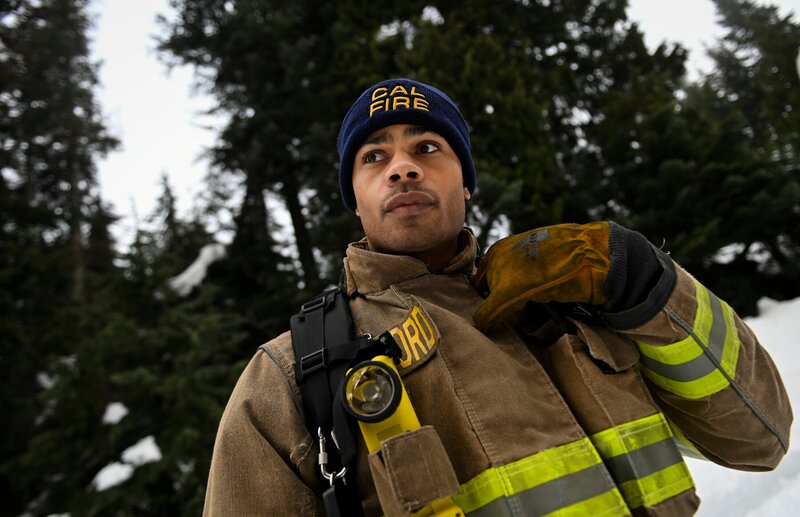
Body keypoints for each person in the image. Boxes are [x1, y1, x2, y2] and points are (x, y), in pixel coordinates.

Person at [202, 78, 792, 517]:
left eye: (428, 148)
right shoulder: (290, 377)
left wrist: (647, 282)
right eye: (374, 156)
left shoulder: (580, 298)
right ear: (354, 199)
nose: (403, 169)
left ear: (465, 179)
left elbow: (758, 438)